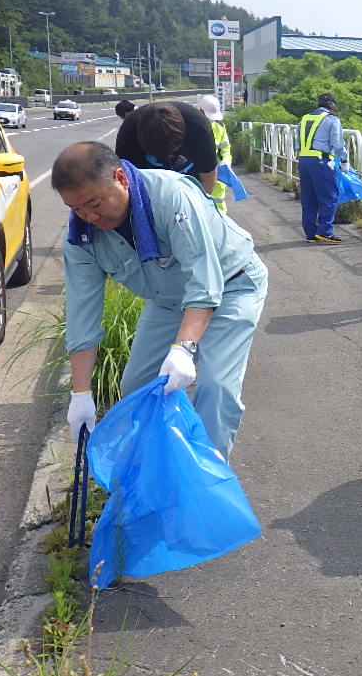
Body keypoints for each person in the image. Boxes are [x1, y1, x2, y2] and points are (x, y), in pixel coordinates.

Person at [54, 140, 268, 459]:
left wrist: (183, 348)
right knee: (138, 387)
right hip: (167, 300)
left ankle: (204, 487)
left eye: (94, 203)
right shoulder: (81, 238)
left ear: (121, 178)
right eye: (76, 208)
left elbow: (205, 283)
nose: (88, 216)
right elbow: (82, 316)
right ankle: (162, 465)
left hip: (231, 284)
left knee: (215, 389)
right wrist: (80, 392)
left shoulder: (172, 197)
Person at [115, 99, 218, 193]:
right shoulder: (127, 139)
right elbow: (126, 187)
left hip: (191, 182)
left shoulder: (199, 129)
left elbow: (208, 178)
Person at [296, 92, 347, 243]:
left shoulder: (304, 118)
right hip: (322, 161)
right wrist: (344, 160)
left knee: (308, 198)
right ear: (332, 106)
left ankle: (311, 233)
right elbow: (337, 143)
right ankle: (325, 231)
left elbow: (296, 142)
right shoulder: (332, 120)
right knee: (329, 196)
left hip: (303, 160)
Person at [197, 94, 234, 211]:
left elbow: (225, 148)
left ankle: (221, 224)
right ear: (200, 111)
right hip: (196, 173)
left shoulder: (220, 127)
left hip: (217, 172)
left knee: (218, 203)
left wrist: (226, 161)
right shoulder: (193, 127)